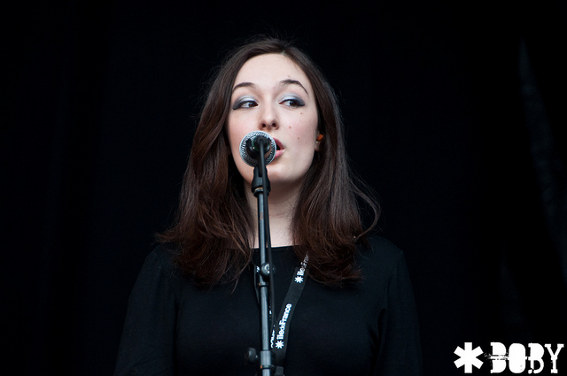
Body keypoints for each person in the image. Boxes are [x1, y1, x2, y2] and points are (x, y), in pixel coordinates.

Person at [114, 36, 423, 376]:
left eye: (291, 101)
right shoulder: (171, 268)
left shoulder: (380, 268)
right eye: (246, 103)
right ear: (226, 134)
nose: (268, 117)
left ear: (320, 135)